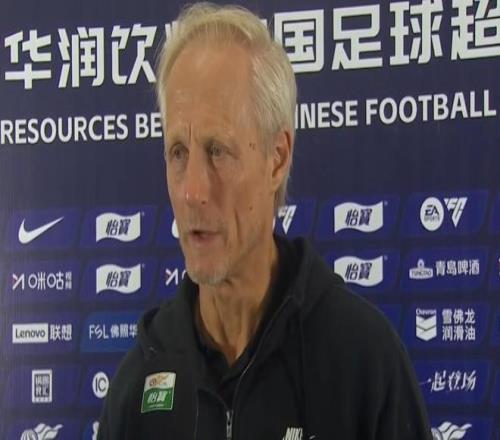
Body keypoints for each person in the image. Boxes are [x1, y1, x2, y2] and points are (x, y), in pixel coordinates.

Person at [98, 3, 432, 439]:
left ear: (277, 159)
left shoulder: (363, 363)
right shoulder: (139, 382)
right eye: (178, 152)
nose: (192, 191)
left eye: (217, 151)